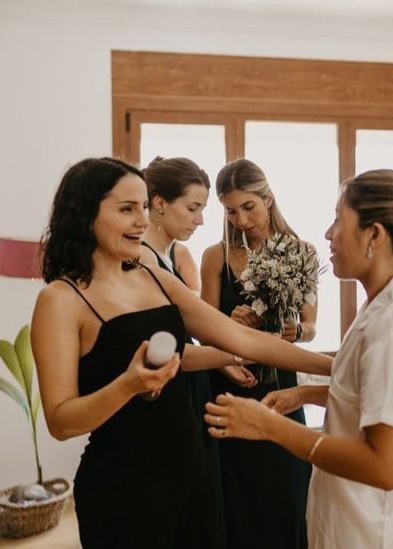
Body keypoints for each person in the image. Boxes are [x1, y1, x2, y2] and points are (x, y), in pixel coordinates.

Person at [32, 157, 331, 548]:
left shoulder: (151, 274)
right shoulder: (59, 300)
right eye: (126, 209)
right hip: (123, 489)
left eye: (142, 207)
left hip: (193, 473)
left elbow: (243, 340)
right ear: (86, 212)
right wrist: (126, 386)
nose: (141, 220)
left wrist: (337, 365)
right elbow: (60, 421)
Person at [205, 169, 393, 549]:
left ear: (374, 235)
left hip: (378, 535)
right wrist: (305, 396)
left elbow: (383, 464)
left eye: (337, 220)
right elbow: (373, 397)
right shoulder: (379, 311)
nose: (328, 234)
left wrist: (269, 428)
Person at [200, 158, 317, 548]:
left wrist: (291, 329)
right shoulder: (215, 257)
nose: (240, 220)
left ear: (268, 198)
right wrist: (229, 323)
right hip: (231, 385)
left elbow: (310, 327)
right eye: (230, 211)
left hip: (281, 386)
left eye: (248, 207)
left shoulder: (303, 252)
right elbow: (204, 330)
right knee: (237, 504)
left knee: (287, 494)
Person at [139, 155, 255, 547]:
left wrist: (223, 362)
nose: (201, 220)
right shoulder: (142, 261)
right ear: (158, 204)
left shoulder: (169, 259)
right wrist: (232, 354)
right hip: (168, 404)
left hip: (191, 394)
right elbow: (171, 353)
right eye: (193, 208)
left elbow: (187, 338)